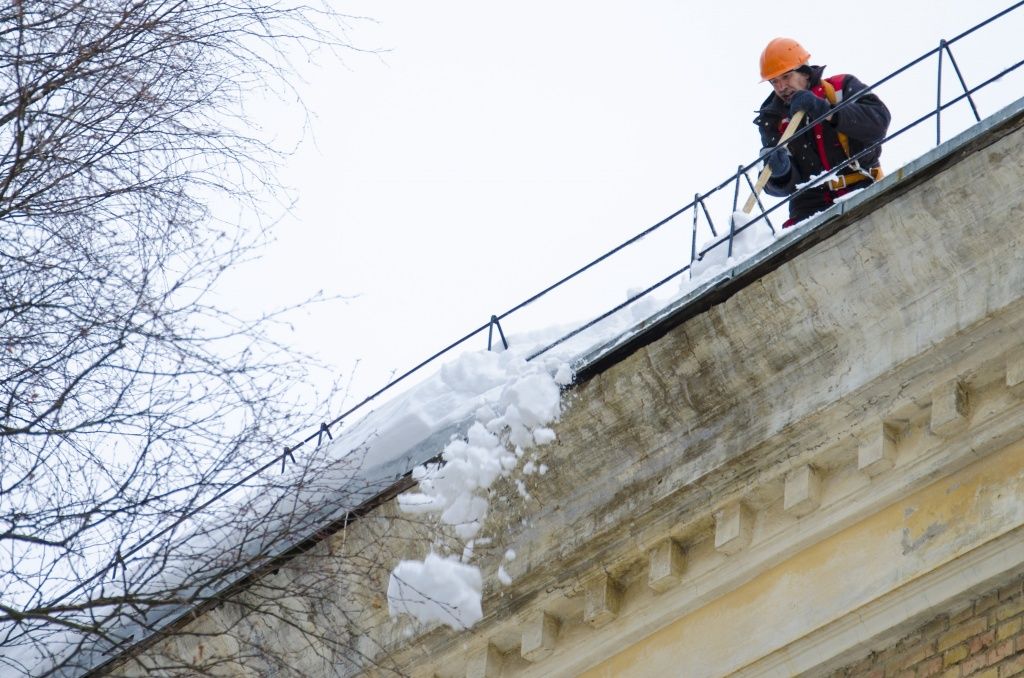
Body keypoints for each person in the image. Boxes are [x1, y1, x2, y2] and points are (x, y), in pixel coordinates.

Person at [755, 38, 891, 227]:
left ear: (804, 71)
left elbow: (878, 122)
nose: (781, 87)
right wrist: (781, 173)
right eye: (774, 82)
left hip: (861, 187)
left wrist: (824, 111)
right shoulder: (773, 120)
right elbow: (771, 185)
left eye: (786, 77)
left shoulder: (840, 87)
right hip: (808, 213)